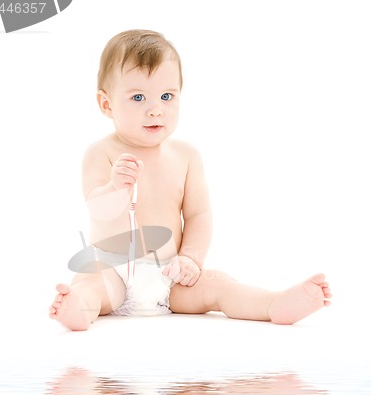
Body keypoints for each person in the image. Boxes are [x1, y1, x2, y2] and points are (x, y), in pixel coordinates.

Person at [49, 29, 331, 331]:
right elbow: (98, 208)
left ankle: (272, 304)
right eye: (138, 97)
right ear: (107, 105)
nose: (155, 108)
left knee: (220, 285)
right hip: (112, 270)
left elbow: (198, 215)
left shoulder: (185, 156)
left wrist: (190, 260)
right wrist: (115, 187)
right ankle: (79, 308)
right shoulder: (101, 153)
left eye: (167, 96)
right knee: (91, 285)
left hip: (171, 277)